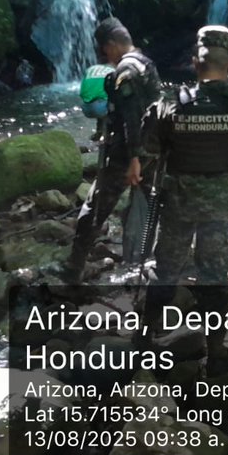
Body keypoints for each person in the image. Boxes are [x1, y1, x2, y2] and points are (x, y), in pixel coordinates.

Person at [142, 25, 228, 375]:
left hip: (178, 204)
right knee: (213, 277)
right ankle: (215, 353)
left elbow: (150, 150)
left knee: (165, 270)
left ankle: (144, 339)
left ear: (194, 65)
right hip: (218, 206)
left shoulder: (170, 106)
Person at [65, 17, 162, 283]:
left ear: (111, 45)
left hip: (129, 155)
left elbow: (132, 117)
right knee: (151, 207)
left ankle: (74, 267)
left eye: (104, 50)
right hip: (154, 151)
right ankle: (147, 264)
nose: (103, 57)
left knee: (95, 207)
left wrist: (133, 159)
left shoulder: (125, 71)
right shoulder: (146, 63)